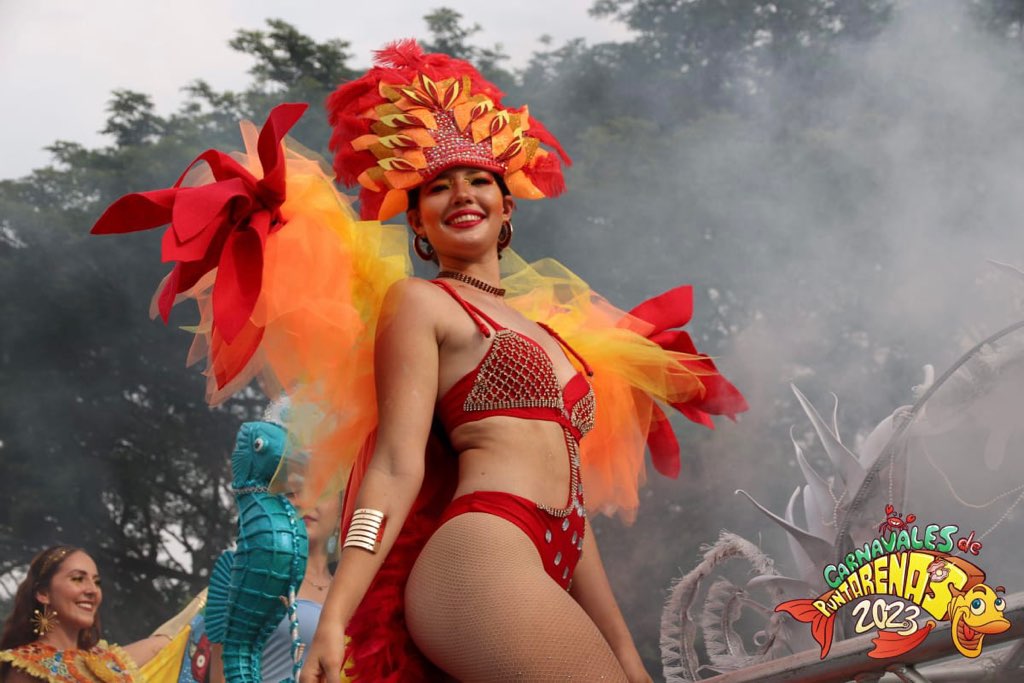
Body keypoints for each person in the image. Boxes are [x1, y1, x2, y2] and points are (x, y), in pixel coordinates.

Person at [90, 39, 746, 683]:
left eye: (478, 180)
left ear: (507, 207)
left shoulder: (551, 332)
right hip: (480, 557)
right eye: (438, 188)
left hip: (551, 557)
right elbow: (395, 465)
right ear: (418, 223)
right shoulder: (421, 303)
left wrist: (626, 654)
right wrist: (336, 614)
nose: (461, 194)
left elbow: (575, 509)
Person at [0, 546, 168, 683]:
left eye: (97, 582)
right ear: (43, 593)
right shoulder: (25, 667)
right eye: (78, 579)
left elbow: (166, 642)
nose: (92, 590)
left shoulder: (107, 660)